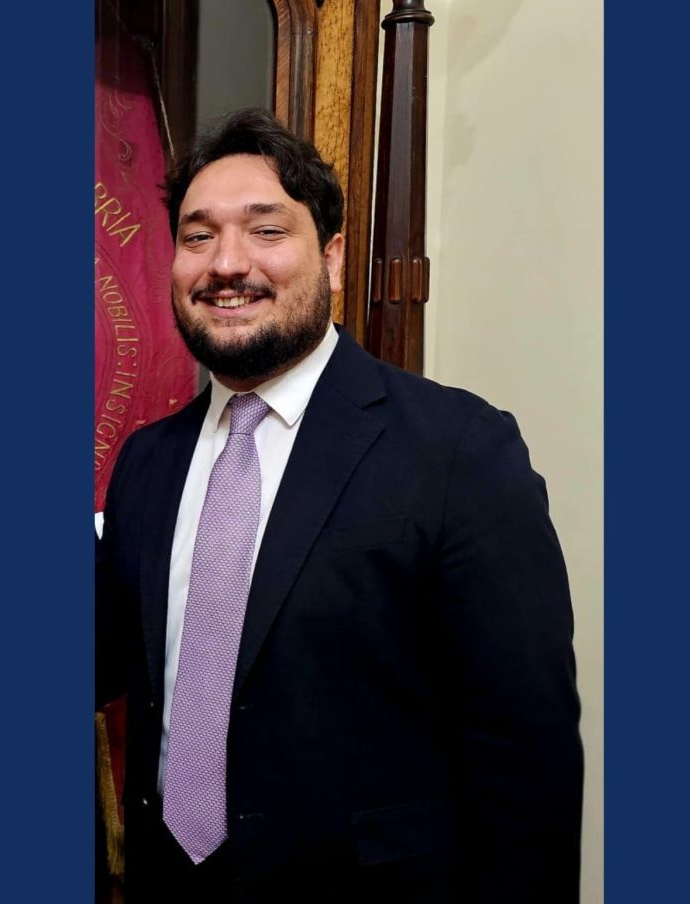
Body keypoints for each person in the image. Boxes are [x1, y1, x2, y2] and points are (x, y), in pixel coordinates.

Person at [95, 107, 582, 902]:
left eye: (266, 230)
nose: (227, 263)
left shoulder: (457, 450)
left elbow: (526, 763)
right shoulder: (147, 463)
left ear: (333, 256)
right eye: (197, 236)